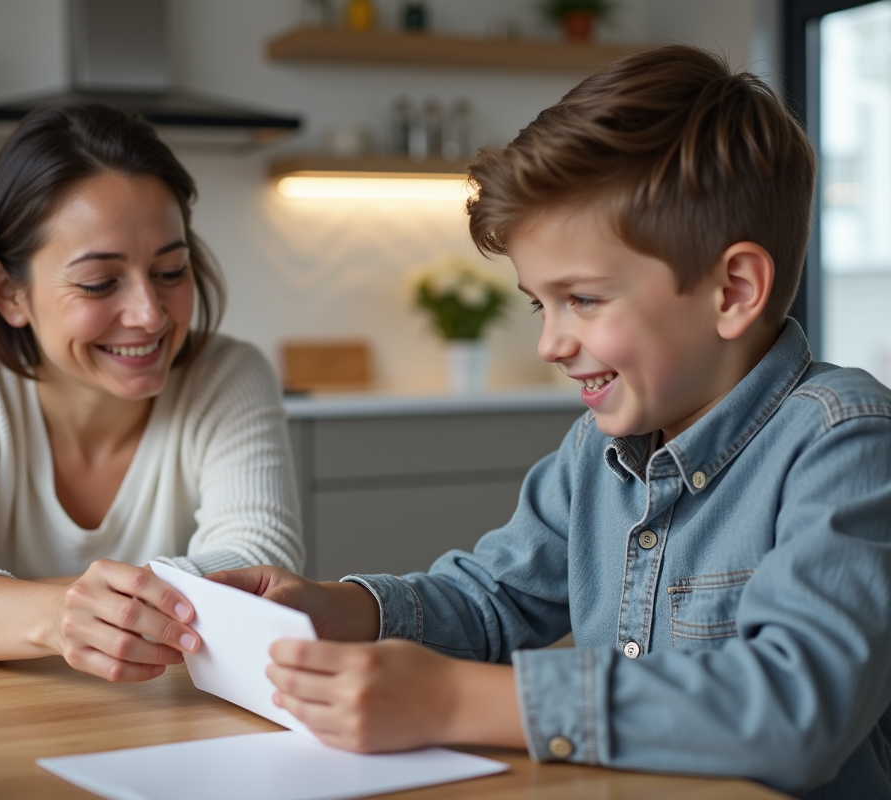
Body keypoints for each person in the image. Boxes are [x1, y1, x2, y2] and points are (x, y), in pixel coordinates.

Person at [210, 46, 891, 798]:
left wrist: (453, 700)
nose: (550, 343)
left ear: (732, 290)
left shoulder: (843, 442)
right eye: (542, 303)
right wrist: (342, 608)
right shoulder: (593, 454)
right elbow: (493, 600)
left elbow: (795, 711)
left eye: (585, 299)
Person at [0, 105, 303, 682]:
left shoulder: (229, 375)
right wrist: (61, 614)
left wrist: (8, 605)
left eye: (171, 271)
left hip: (166, 724)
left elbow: (260, 568)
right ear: (8, 292)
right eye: (99, 282)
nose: (149, 315)